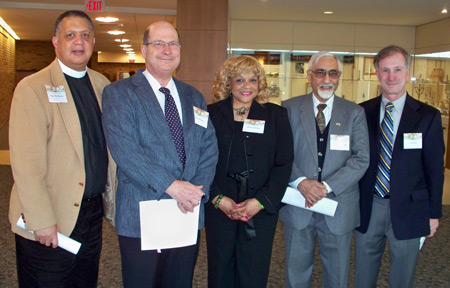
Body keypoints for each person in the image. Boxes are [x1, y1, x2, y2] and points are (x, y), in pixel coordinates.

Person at [101, 21, 218, 288]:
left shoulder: (193, 96)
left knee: (179, 281)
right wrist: (173, 187)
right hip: (142, 211)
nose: (167, 50)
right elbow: (125, 150)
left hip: (186, 211)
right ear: (144, 49)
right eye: (159, 43)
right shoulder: (119, 93)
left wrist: (196, 191)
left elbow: (209, 148)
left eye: (173, 43)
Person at [8, 10, 115, 287]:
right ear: (55, 42)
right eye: (70, 35)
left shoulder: (102, 84)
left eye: (85, 35)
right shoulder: (32, 87)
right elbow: (26, 164)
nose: (78, 41)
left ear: (93, 42)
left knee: (84, 282)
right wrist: (41, 220)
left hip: (90, 214)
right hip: (50, 216)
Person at [355, 45, 444, 288]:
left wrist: (433, 213)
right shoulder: (361, 111)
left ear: (407, 72)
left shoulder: (428, 116)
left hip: (410, 209)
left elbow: (435, 170)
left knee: (402, 278)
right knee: (363, 274)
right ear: (376, 73)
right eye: (385, 70)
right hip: (369, 205)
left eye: (397, 69)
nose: (391, 76)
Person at [280, 51, 370, 288]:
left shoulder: (354, 113)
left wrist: (326, 187)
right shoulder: (288, 109)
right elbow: (280, 155)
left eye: (333, 73)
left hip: (339, 207)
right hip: (299, 204)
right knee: (296, 272)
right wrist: (301, 181)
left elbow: (361, 159)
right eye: (320, 72)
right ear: (309, 75)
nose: (326, 79)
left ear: (339, 77)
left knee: (337, 275)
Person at [205, 55, 294, 288]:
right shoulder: (210, 114)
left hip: (260, 209)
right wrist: (216, 197)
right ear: (228, 82)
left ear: (260, 84)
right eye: (240, 79)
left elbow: (284, 163)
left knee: (253, 271)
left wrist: (261, 201)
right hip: (220, 206)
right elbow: (199, 160)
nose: (247, 86)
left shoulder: (276, 115)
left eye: (253, 80)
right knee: (220, 268)